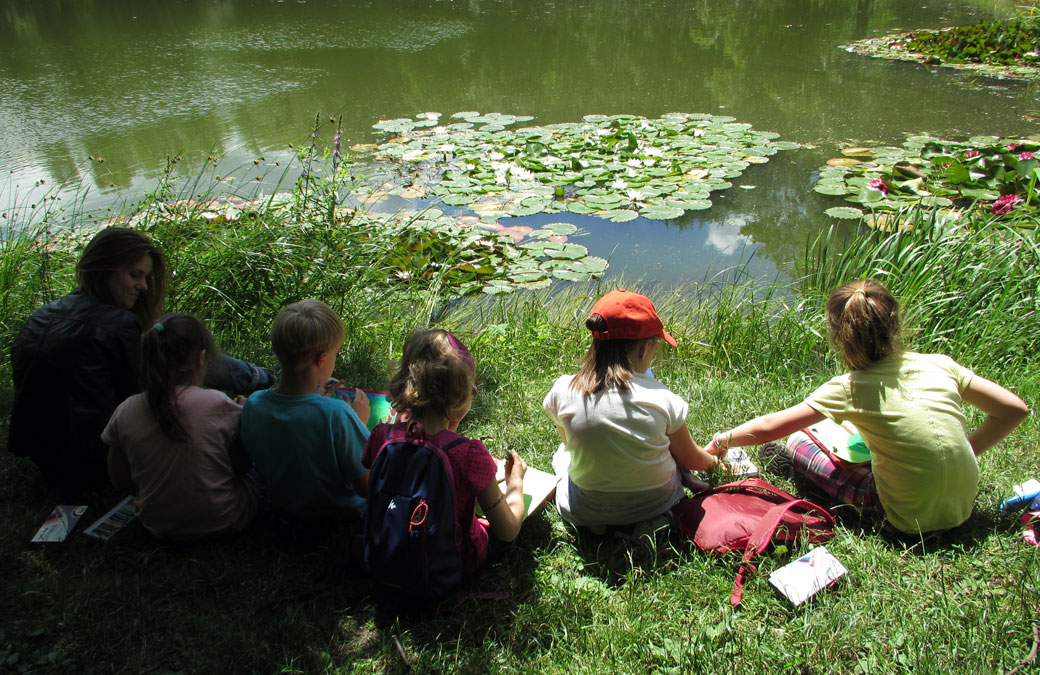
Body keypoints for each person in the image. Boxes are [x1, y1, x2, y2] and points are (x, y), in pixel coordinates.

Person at [710, 279, 1030, 535]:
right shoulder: (940, 364)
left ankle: (805, 468)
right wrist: (969, 449)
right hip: (963, 509)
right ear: (894, 323)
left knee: (798, 440)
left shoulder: (849, 387)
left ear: (840, 337)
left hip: (905, 521)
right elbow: (1015, 409)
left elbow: (770, 427)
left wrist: (721, 440)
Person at [9, 227, 274, 497]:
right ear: (103, 268)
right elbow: (149, 393)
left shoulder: (43, 316)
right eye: (134, 275)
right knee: (186, 353)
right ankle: (266, 380)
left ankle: (259, 377)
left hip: (46, 460)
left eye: (146, 277)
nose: (144, 287)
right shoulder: (118, 324)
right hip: (98, 462)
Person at [543, 289, 720, 530]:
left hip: (584, 512)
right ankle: (647, 524)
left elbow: (570, 445)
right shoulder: (663, 399)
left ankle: (603, 526)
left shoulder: (562, 390)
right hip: (658, 504)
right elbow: (693, 459)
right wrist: (715, 461)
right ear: (645, 348)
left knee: (562, 454)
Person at [363, 330, 526, 575]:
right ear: (459, 401)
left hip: (384, 558)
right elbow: (509, 530)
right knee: (494, 534)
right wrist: (516, 484)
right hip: (445, 566)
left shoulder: (381, 437)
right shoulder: (469, 455)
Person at [102, 314, 260, 539]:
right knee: (257, 474)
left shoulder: (126, 410)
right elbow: (242, 465)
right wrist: (245, 412)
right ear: (200, 359)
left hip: (157, 524)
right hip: (226, 519)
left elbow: (119, 479)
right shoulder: (216, 402)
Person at [240, 299, 371, 520]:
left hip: (282, 513)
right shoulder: (338, 414)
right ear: (322, 359)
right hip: (339, 518)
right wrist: (358, 422)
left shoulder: (253, 405)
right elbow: (366, 486)